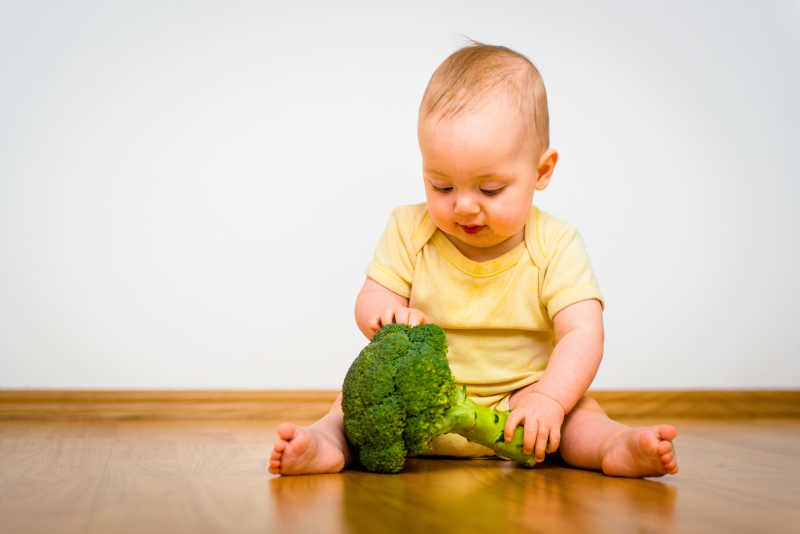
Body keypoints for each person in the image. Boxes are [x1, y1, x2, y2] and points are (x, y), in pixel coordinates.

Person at [269, 41, 678, 477]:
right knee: (346, 413)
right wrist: (384, 313)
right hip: (417, 405)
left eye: (489, 189)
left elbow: (582, 332)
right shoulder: (410, 228)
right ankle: (325, 444)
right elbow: (371, 295)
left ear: (541, 172)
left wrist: (550, 399)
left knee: (581, 419)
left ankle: (614, 446)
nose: (463, 206)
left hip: (523, 405)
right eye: (441, 186)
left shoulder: (555, 243)